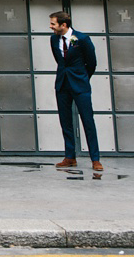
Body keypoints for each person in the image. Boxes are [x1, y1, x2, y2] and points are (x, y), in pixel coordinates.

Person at [49, 11, 103, 171]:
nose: (50, 27)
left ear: (63, 25)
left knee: (88, 121)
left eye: (53, 24)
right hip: (62, 85)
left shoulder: (82, 39)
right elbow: (60, 61)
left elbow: (91, 63)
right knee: (65, 122)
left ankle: (95, 159)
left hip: (80, 85)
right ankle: (70, 157)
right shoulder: (53, 39)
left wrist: (83, 78)